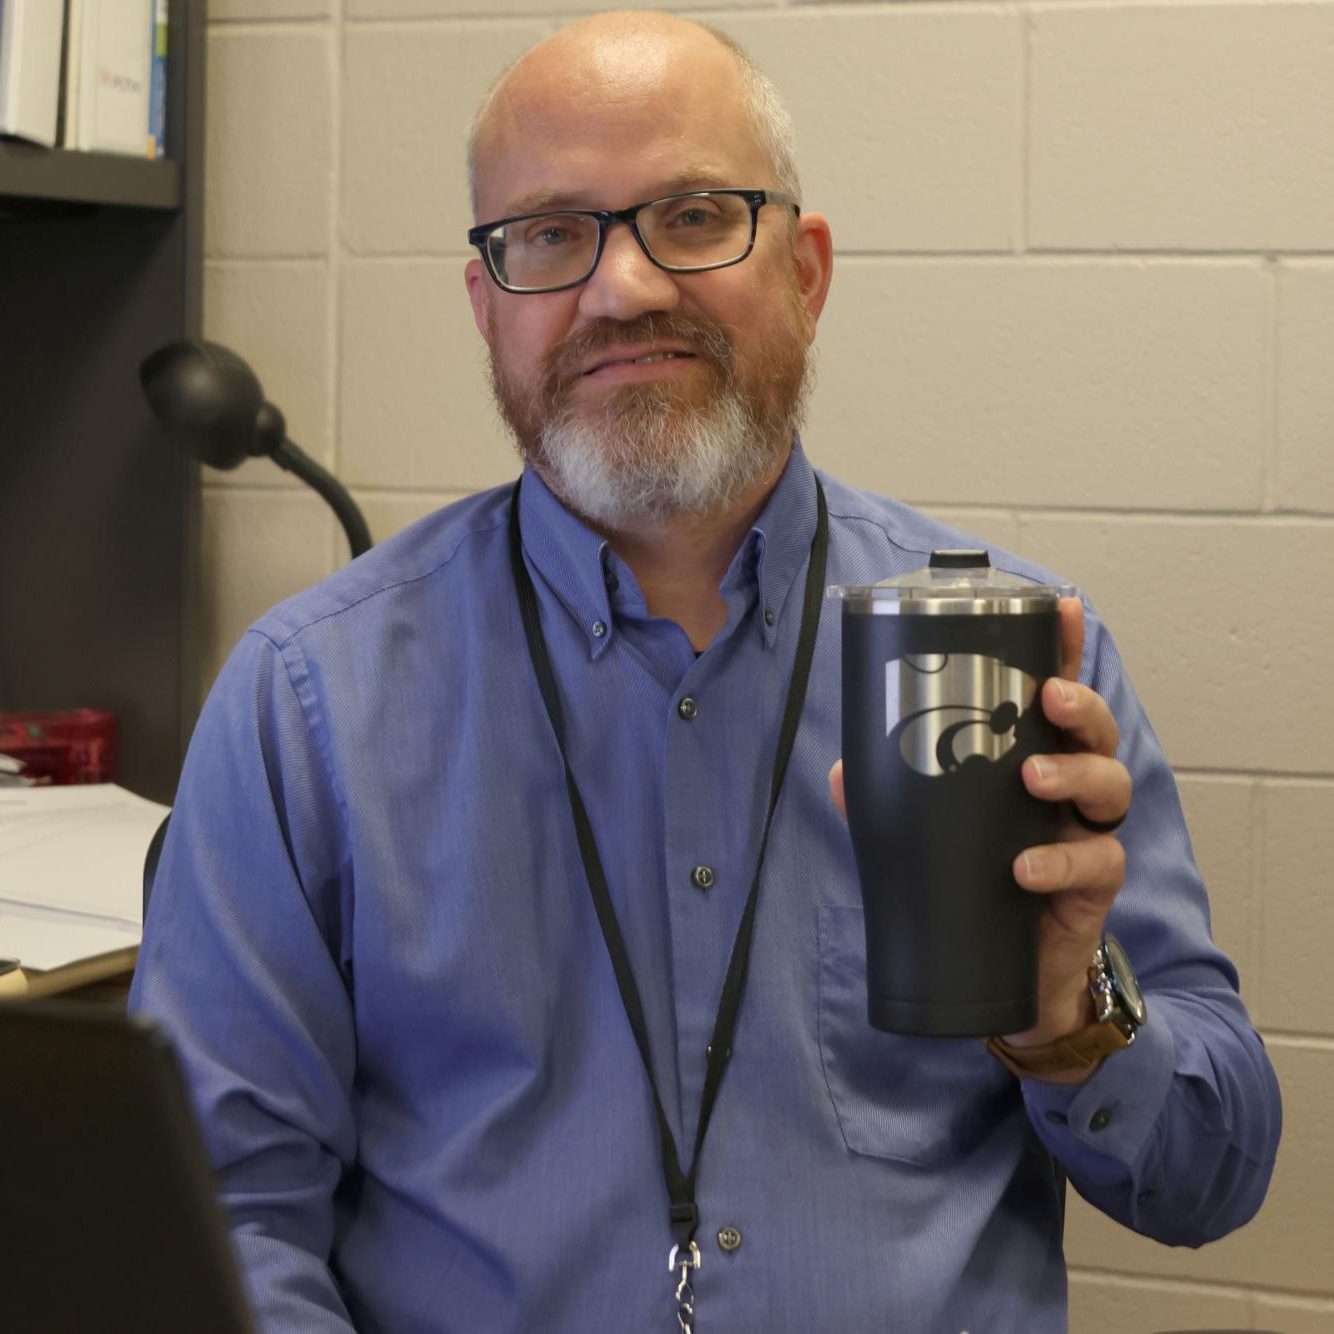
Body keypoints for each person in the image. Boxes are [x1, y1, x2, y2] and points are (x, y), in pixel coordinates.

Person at [131, 11, 1281, 1332]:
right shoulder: (304, 704)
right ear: (485, 302)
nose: (621, 288)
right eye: (551, 234)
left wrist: (1067, 1022)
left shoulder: (1015, 668)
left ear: (805, 268)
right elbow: (224, 1219)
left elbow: (1211, 1174)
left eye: (690, 215)